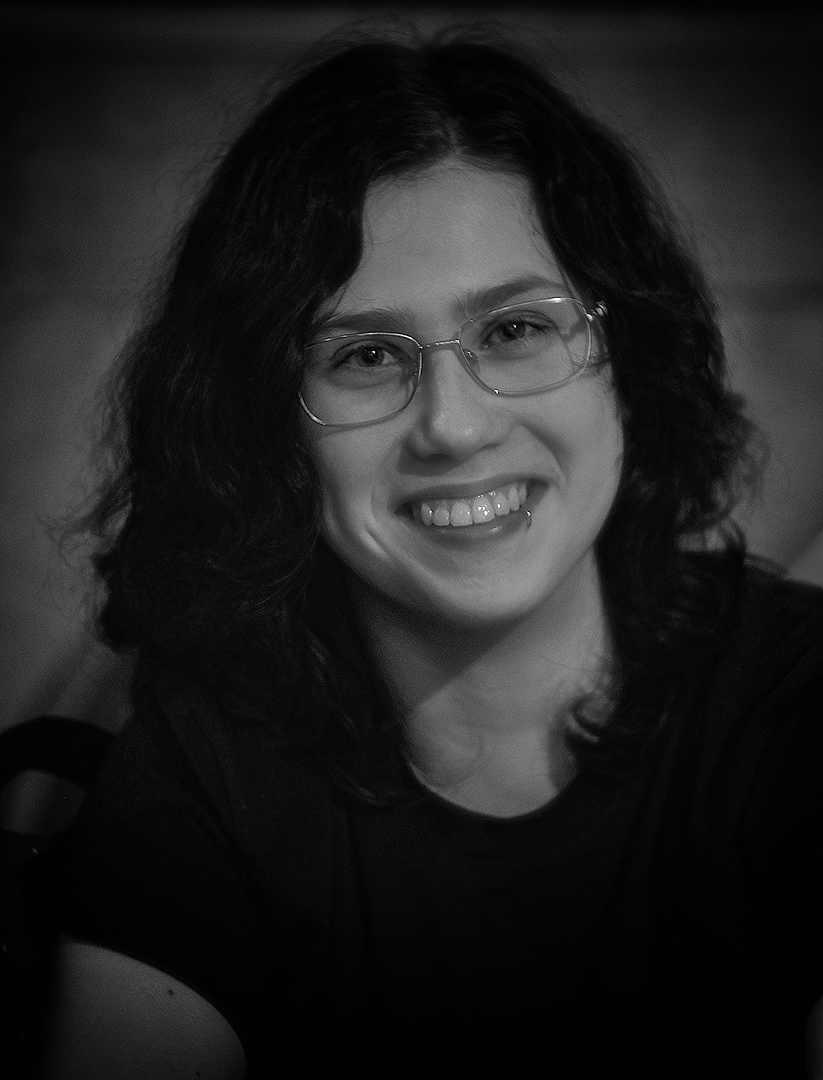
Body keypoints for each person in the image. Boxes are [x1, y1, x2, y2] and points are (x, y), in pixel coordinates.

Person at [33, 21, 823, 1079]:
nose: (452, 426)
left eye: (515, 330)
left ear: (624, 361)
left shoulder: (797, 703)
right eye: (365, 354)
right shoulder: (203, 775)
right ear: (267, 426)